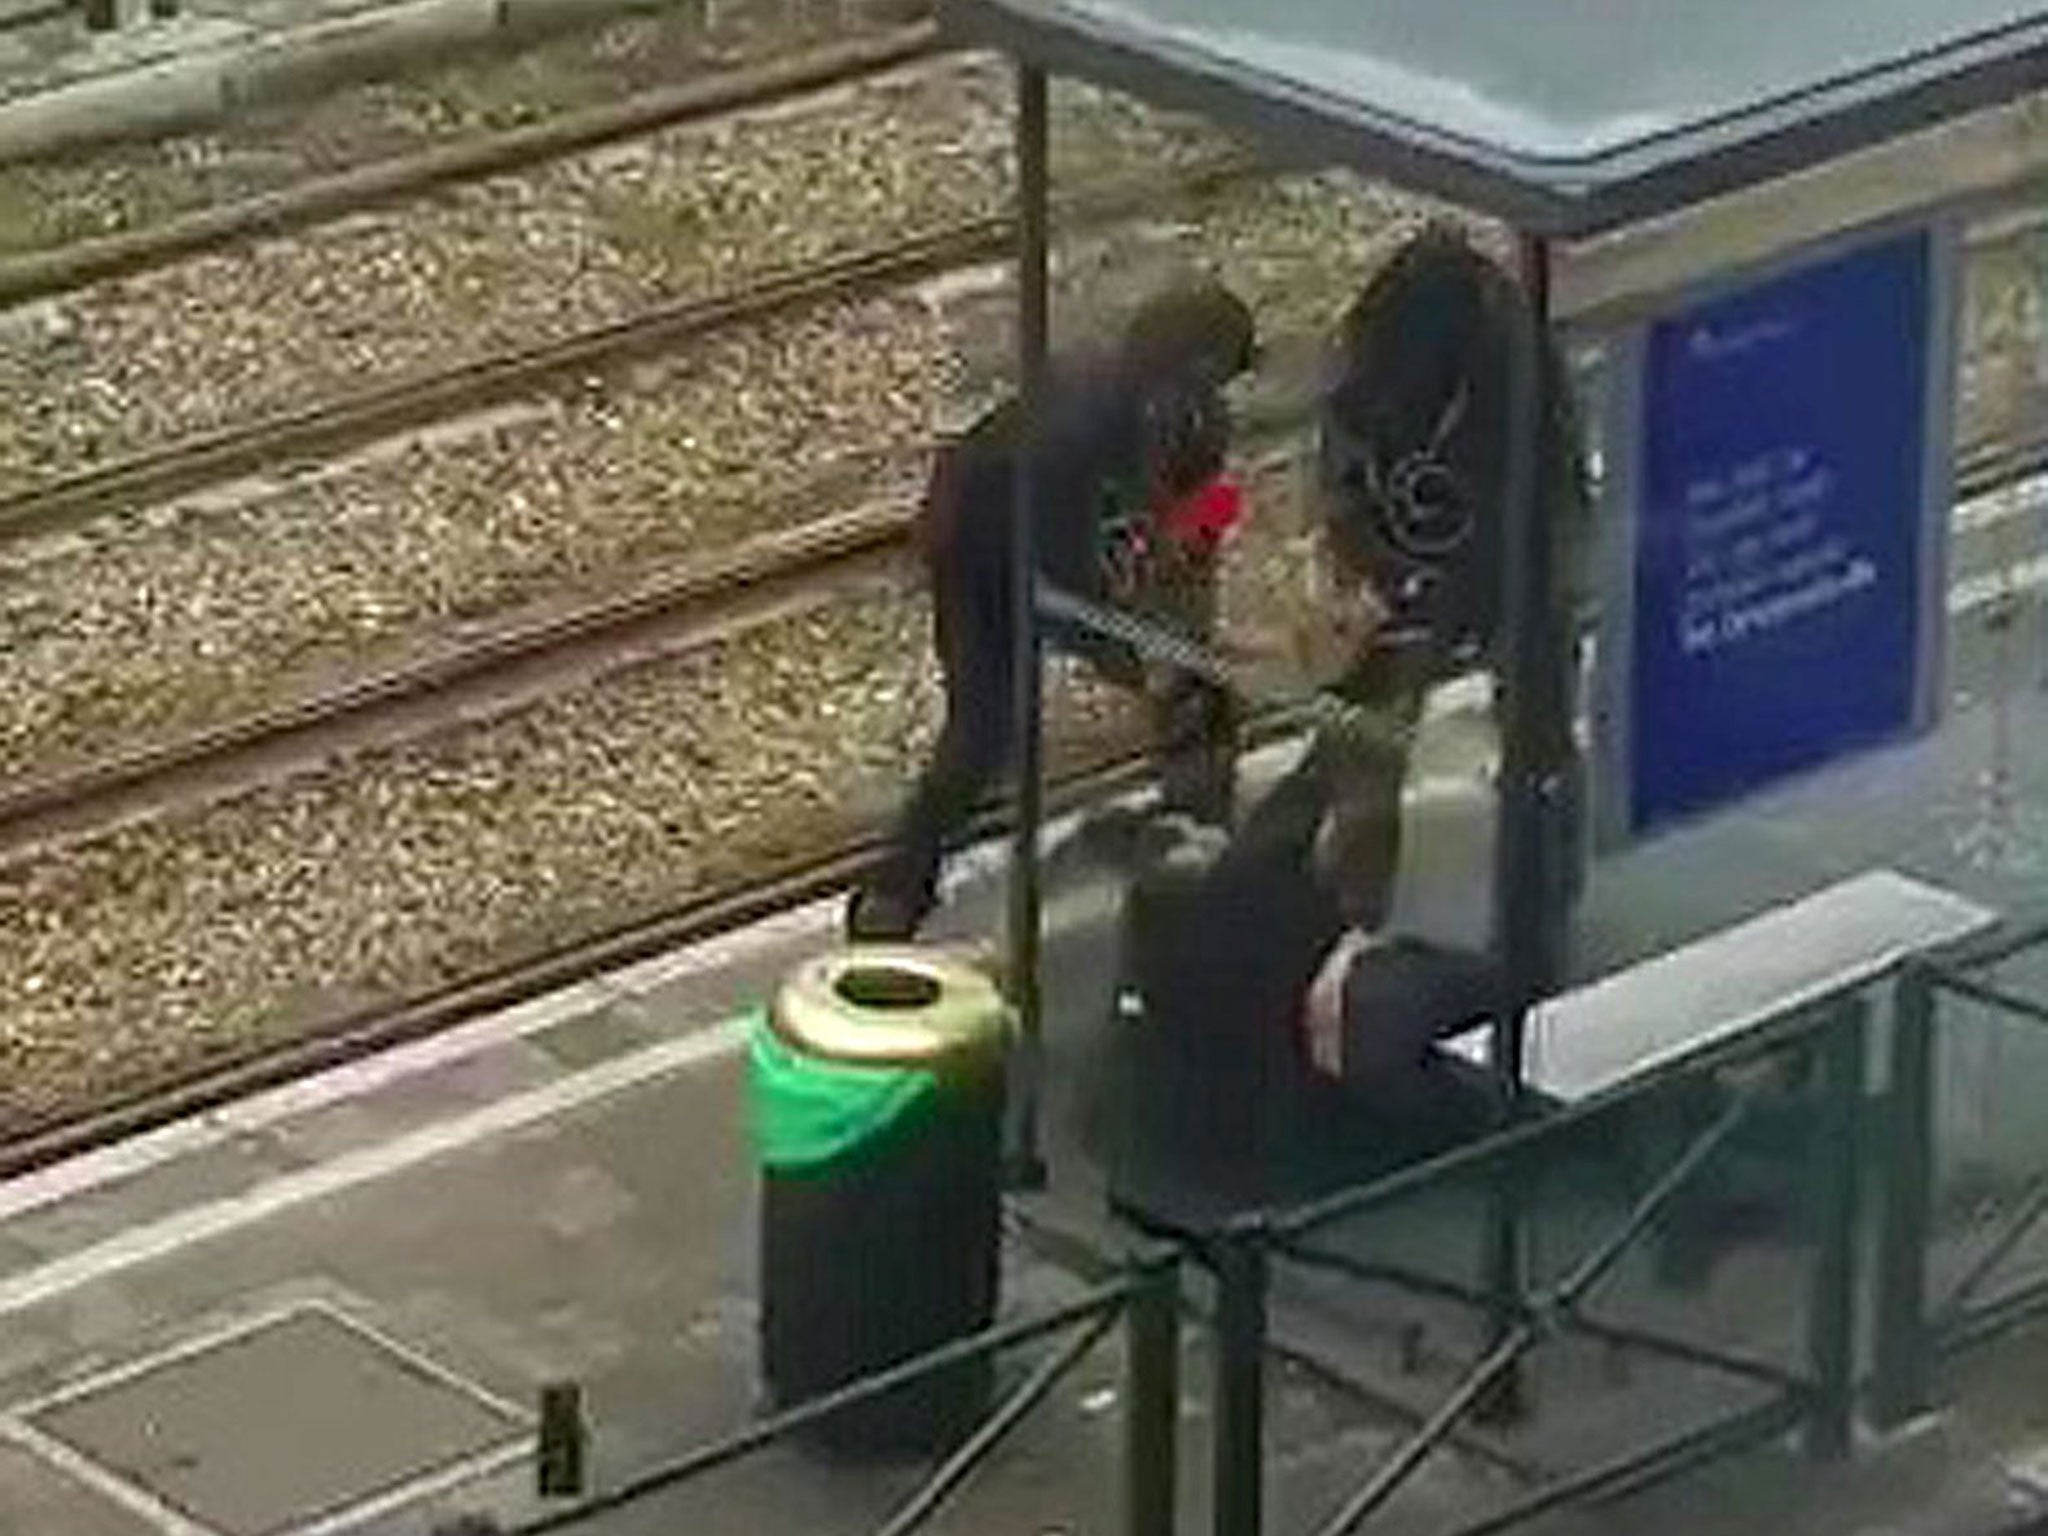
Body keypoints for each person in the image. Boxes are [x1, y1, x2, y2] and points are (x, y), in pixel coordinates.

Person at [846, 280, 1258, 942]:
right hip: (987, 558)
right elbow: (1066, 572)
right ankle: (895, 889)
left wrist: (1184, 625)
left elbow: (1209, 512)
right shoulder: (1080, 426)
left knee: (1189, 692)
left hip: (1044, 552)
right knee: (985, 731)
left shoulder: (1187, 419)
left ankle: (1204, 845)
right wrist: (1142, 646)